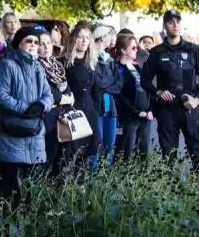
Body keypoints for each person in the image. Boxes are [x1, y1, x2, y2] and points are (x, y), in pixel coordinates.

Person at [141, 10, 199, 178]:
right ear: (165, 25)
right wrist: (158, 92)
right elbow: (144, 80)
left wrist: (197, 100)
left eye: (178, 21)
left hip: (189, 107)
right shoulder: (156, 52)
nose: (176, 25)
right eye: (171, 22)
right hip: (166, 110)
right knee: (168, 155)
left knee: (197, 150)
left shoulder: (193, 49)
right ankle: (170, 196)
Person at [0, 25, 53, 205]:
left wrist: (41, 107)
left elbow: (48, 95)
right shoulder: (8, 64)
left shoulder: (38, 67)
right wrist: (26, 109)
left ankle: (24, 230)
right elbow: (1, 95)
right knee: (10, 188)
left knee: (29, 186)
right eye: (28, 41)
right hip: (10, 132)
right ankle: (8, 230)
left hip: (33, 131)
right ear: (19, 44)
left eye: (36, 42)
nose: (33, 44)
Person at [37, 29, 75, 174]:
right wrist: (64, 99)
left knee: (64, 158)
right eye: (42, 44)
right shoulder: (36, 66)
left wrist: (69, 96)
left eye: (48, 43)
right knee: (48, 157)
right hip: (48, 118)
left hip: (64, 116)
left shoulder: (56, 64)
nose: (46, 47)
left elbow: (66, 86)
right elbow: (46, 92)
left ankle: (60, 192)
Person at [64, 23, 101, 169]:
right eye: (80, 37)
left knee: (86, 155)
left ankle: (82, 187)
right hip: (72, 112)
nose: (84, 41)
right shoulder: (65, 63)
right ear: (74, 39)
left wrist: (96, 108)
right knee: (69, 154)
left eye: (87, 38)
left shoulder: (92, 63)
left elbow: (96, 88)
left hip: (90, 111)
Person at [114, 35, 153, 159]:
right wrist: (136, 112)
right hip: (130, 118)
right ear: (123, 50)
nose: (137, 50)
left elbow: (148, 89)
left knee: (143, 154)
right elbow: (119, 96)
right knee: (126, 155)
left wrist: (150, 110)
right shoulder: (118, 69)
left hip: (145, 117)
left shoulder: (137, 68)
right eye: (133, 48)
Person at [92, 25, 123, 167]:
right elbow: (97, 83)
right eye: (110, 34)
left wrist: (107, 86)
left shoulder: (109, 59)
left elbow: (119, 83)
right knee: (96, 146)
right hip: (96, 107)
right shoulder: (91, 58)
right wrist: (108, 85)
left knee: (109, 146)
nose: (113, 38)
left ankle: (106, 182)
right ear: (103, 37)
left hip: (111, 108)